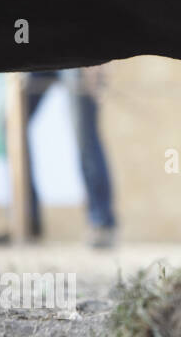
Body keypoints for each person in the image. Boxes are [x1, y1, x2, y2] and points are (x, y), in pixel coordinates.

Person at [24, 68, 118, 248]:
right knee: (11, 125)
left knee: (85, 135)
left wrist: (97, 61)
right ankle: (26, 222)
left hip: (78, 56)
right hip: (36, 53)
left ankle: (102, 223)